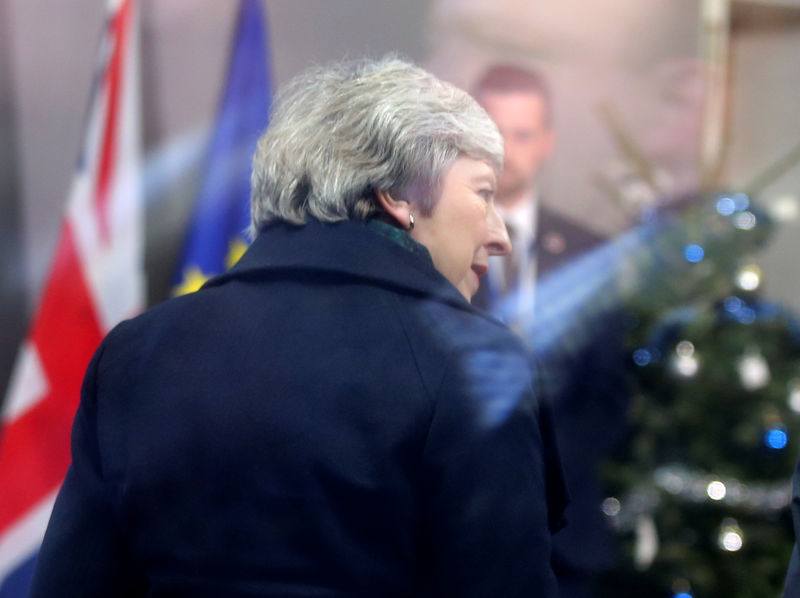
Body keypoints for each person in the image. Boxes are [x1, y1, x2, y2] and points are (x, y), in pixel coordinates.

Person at [29, 56, 567, 597]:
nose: (499, 234)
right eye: (482, 193)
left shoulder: (135, 353)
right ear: (400, 195)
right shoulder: (475, 362)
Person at [471, 64, 628, 598]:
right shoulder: (430, 249)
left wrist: (544, 476)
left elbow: (608, 392)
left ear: (548, 143)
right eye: (493, 130)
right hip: (455, 528)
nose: (506, 149)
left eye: (522, 134)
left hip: (566, 535)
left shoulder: (592, 252)